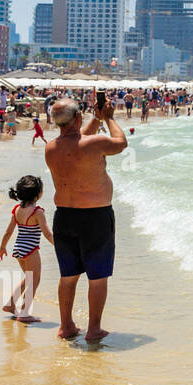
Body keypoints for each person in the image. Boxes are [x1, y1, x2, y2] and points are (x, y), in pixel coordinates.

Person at [44, 97, 127, 342]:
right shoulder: (95, 143)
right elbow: (121, 143)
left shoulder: (51, 147)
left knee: (68, 275)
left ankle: (66, 326)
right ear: (77, 118)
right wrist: (109, 117)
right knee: (97, 277)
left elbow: (76, 139)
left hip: (65, 217)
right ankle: (94, 329)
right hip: (95, 216)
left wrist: (95, 118)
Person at [0, 175, 52, 324]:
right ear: (38, 194)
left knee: (28, 278)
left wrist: (2, 248)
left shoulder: (17, 210)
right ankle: (25, 312)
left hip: (19, 249)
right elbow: (47, 233)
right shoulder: (37, 212)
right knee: (34, 280)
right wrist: (60, 246)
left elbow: (8, 232)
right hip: (31, 250)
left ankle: (10, 304)